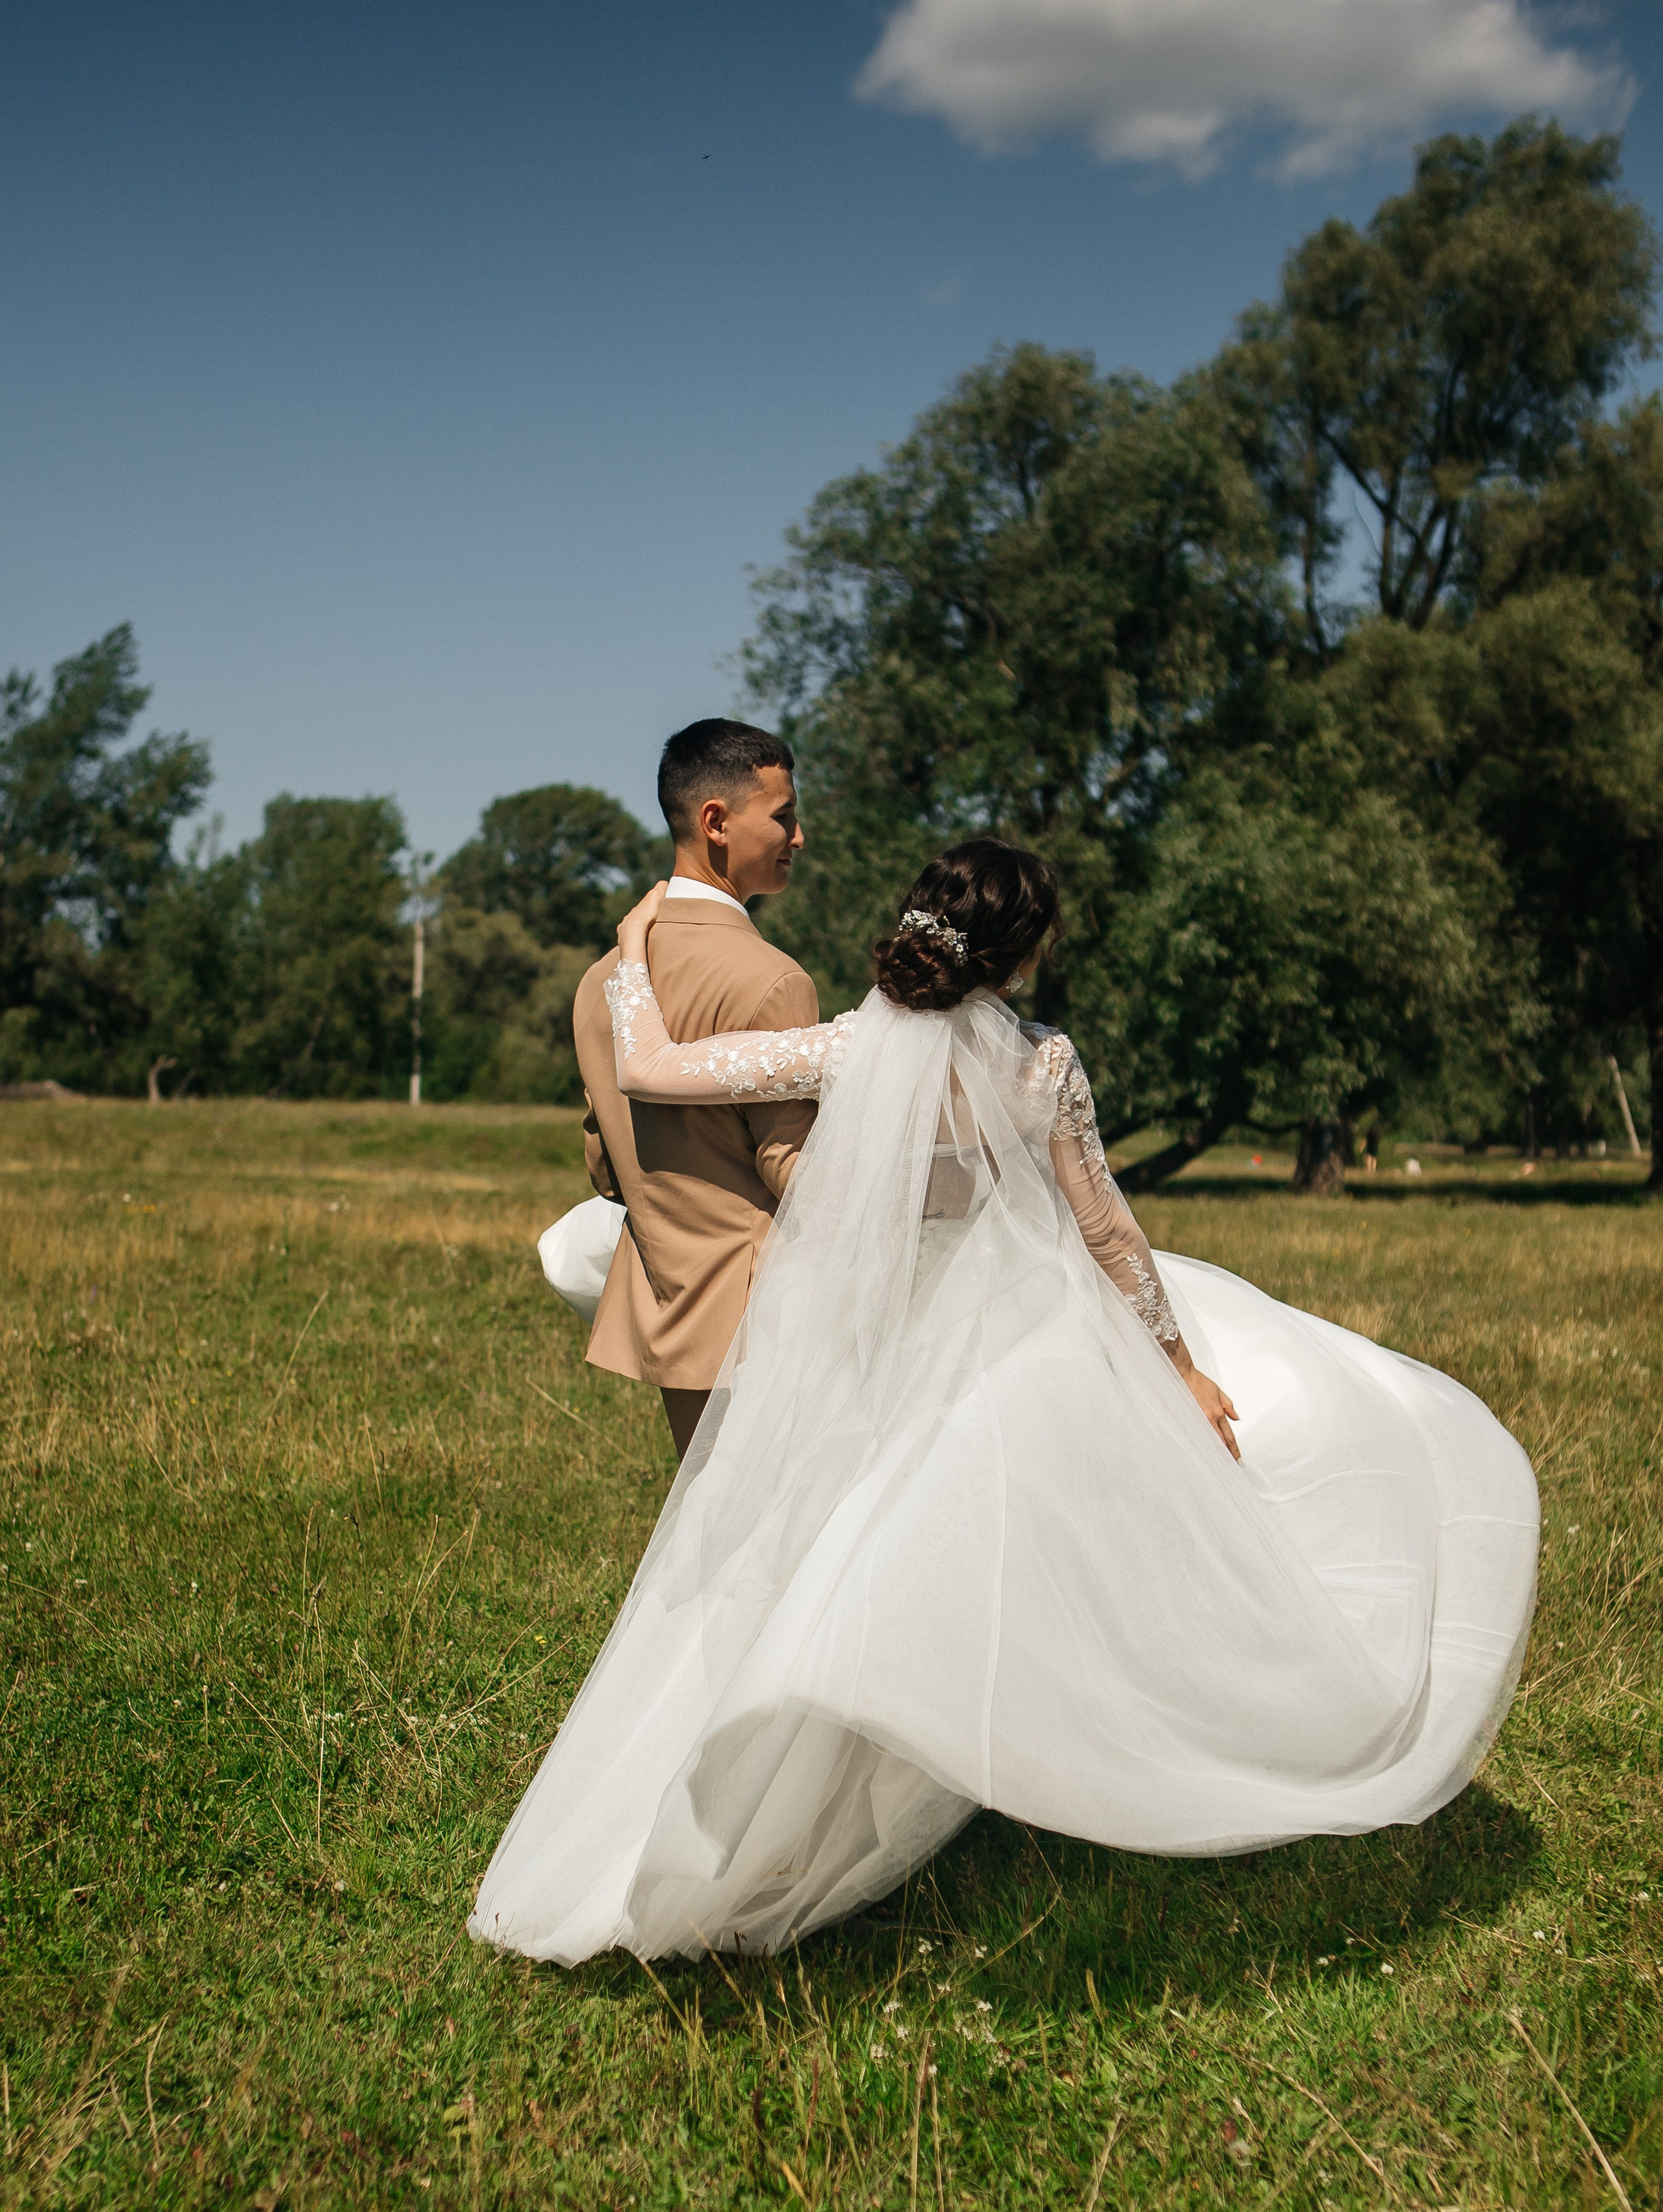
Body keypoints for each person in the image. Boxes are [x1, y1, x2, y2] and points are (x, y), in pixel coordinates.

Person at [471, 843, 1538, 1968]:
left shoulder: (845, 1049)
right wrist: (1178, 1365)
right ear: (1020, 959)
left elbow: (649, 1069)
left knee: (839, 1560)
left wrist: (634, 952)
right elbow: (1107, 1228)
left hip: (876, 1349)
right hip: (1019, 1339)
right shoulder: (1042, 1065)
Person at [572, 719, 819, 1460]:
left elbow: (606, 1168)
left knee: (707, 1519)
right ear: (716, 821)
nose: (798, 837)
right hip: (769, 1309)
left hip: (668, 1304)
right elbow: (791, 1167)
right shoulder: (773, 979)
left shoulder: (602, 981)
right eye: (783, 815)